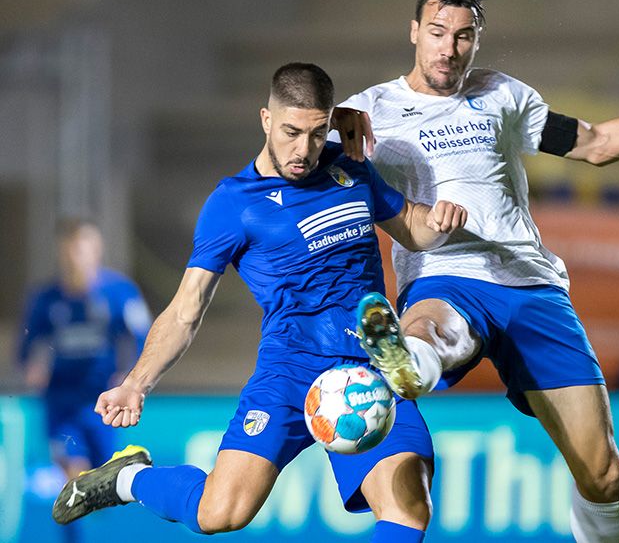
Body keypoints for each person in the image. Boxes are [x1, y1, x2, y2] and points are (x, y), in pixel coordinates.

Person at [332, 0, 619, 542]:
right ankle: (408, 360)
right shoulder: (366, 113)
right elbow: (301, 158)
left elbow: (599, 145)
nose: (449, 48)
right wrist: (328, 132)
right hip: (446, 276)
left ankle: (416, 363)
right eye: (437, 32)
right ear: (415, 31)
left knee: (606, 476)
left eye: (463, 36)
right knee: (433, 333)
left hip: (531, 287)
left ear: (477, 40)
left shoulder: (504, 96)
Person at [51, 62, 467, 543]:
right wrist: (135, 383)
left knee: (408, 509)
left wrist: (437, 223)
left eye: (316, 133)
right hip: (289, 370)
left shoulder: (349, 167)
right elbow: (186, 310)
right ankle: (127, 478)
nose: (303, 149)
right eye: (291, 131)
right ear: (266, 119)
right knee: (220, 514)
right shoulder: (232, 205)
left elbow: (412, 230)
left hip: (373, 364)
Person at [18, 218, 151, 543]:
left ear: (97, 249)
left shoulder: (119, 293)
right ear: (63, 252)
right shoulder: (46, 298)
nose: (77, 255)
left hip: (102, 402)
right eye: (71, 248)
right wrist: (31, 367)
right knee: (71, 479)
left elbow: (142, 336)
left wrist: (130, 376)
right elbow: (26, 344)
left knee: (97, 492)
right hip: (61, 401)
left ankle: (100, 489)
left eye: (84, 247)